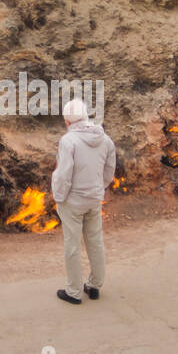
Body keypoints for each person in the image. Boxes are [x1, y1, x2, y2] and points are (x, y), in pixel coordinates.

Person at [50, 97, 116, 305]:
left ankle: (74, 291)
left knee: (73, 246)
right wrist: (98, 189)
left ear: (68, 121)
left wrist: (59, 198)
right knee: (95, 241)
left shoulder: (68, 141)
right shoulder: (105, 139)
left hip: (73, 202)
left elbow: (64, 175)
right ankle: (95, 285)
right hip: (94, 199)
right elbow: (109, 171)